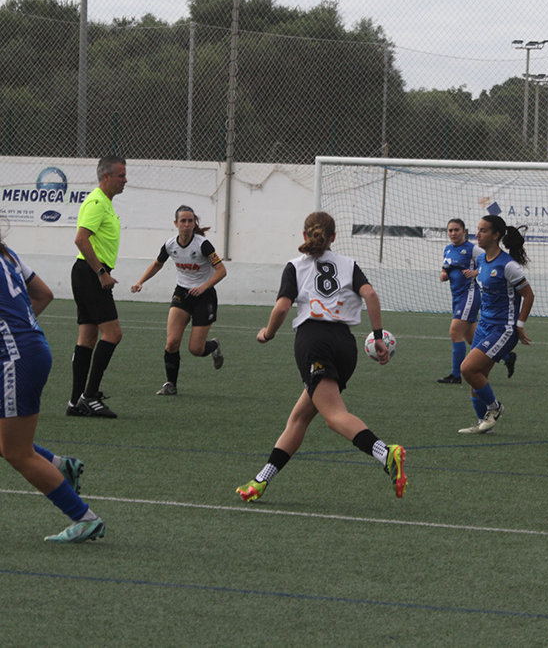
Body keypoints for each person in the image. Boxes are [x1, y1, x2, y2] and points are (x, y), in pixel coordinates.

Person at [236, 211, 407, 502]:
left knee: (334, 417)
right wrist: (378, 338)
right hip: (345, 345)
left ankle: (385, 453)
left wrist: (268, 333)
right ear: (334, 238)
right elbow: (371, 296)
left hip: (314, 342)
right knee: (299, 419)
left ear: (304, 236)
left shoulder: (295, 266)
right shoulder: (348, 265)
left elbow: (281, 309)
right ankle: (260, 481)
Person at [0, 235, 105, 542]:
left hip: (14, 359)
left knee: (16, 452)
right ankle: (62, 466)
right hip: (28, 350)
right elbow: (43, 294)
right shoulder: (7, 254)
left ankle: (86, 518)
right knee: (8, 442)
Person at [131, 205, 227, 395]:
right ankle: (170, 384)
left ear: (194, 223)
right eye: (182, 221)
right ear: (175, 223)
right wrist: (140, 281)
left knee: (195, 349)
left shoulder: (202, 245)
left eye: (190, 220)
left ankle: (214, 346)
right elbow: (157, 264)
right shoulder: (170, 245)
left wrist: (203, 287)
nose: (187, 224)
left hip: (204, 296)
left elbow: (221, 270)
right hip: (182, 294)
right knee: (172, 342)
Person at [457, 215, 534, 434]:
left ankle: (495, 408)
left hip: (504, 329)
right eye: (478, 229)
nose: (477, 234)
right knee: (478, 379)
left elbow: (529, 296)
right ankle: (484, 425)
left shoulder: (509, 266)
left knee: (467, 369)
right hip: (484, 326)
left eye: (483, 231)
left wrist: (519, 324)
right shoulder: (481, 261)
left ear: (496, 235)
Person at [67, 155, 127, 418]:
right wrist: (101, 272)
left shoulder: (105, 203)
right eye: (121, 176)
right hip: (91, 274)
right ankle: (90, 396)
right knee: (113, 333)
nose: (125, 180)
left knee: (88, 337)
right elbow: (81, 239)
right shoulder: (96, 203)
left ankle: (74, 403)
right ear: (106, 177)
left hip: (87, 274)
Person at [438, 218, 516, 384]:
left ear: (464, 232)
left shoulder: (473, 249)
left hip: (470, 295)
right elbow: (446, 269)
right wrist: (444, 275)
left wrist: (475, 273)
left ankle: (456, 375)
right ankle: (508, 356)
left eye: (457, 230)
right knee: (473, 339)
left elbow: (489, 262)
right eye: (450, 230)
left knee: (454, 332)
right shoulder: (448, 250)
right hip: (457, 297)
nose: (453, 233)